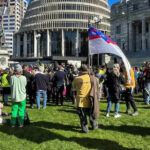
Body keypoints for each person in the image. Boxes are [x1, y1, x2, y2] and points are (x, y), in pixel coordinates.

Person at [72, 65, 98, 133]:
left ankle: (85, 129)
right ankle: (94, 126)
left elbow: (73, 86)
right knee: (91, 114)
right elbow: (97, 86)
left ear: (80, 71)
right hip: (91, 99)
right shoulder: (94, 78)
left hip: (81, 101)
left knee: (83, 116)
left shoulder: (77, 79)